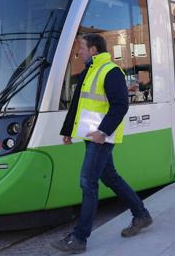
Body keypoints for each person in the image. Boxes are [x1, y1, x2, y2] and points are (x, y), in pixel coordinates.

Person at [52, 33, 152, 254]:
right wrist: (68, 131)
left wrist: (103, 131)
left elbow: (120, 105)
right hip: (91, 135)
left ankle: (79, 237)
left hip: (101, 137)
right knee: (110, 177)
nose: (79, 52)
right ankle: (142, 215)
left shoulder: (111, 71)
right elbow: (78, 102)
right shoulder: (89, 70)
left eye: (82, 48)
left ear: (94, 49)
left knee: (88, 181)